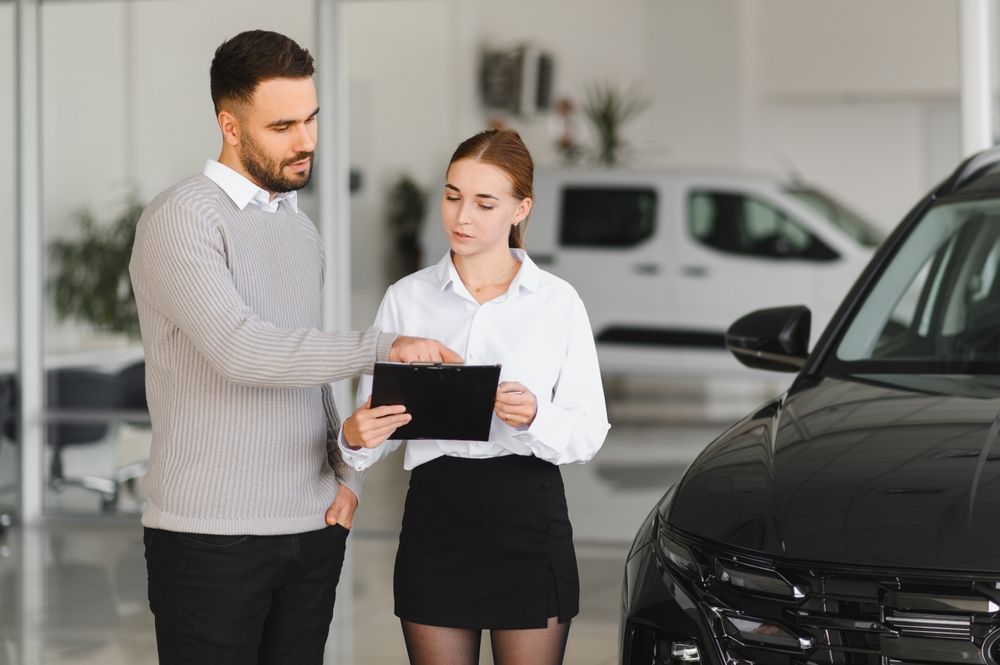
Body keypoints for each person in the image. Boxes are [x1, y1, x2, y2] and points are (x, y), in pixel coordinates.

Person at [128, 29, 460, 665]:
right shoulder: (182, 218)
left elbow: (302, 360)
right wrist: (385, 346)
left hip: (312, 527)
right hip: (211, 538)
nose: (305, 140)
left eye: (311, 118)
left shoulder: (298, 228)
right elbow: (244, 351)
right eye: (282, 125)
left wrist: (345, 477)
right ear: (230, 124)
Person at [336, 128, 610, 665]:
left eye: (485, 203)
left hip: (528, 518)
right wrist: (355, 435)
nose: (462, 217)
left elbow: (588, 431)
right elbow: (376, 428)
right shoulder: (406, 298)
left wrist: (535, 414)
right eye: (453, 196)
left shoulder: (557, 303)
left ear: (520, 209)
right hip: (436, 518)